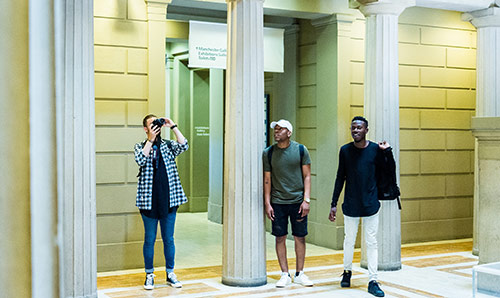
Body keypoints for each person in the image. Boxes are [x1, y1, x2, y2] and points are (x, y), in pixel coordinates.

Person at [328, 116, 394, 297]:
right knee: (349, 239)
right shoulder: (345, 151)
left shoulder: (375, 150)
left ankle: (373, 280)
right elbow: (340, 177)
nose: (355, 130)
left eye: (359, 128)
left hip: (371, 203)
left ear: (366, 130)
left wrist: (387, 152)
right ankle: (347, 271)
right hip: (351, 203)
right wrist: (333, 203)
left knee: (371, 242)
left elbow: (389, 171)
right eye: (353, 128)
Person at [134, 114, 188, 290]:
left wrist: (172, 126)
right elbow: (140, 160)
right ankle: (149, 275)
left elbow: (184, 144)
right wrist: (150, 140)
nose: (155, 126)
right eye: (151, 124)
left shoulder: (167, 145)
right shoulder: (140, 146)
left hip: (169, 199)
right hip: (148, 201)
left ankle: (170, 273)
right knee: (149, 239)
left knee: (169, 239)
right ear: (145, 129)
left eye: (157, 123)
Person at [263, 119, 314, 288]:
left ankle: (300, 273)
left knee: (300, 237)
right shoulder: (268, 153)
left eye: (280, 129)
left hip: (298, 202)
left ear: (289, 133)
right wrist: (267, 203)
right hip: (278, 202)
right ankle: (284, 273)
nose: (276, 132)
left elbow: (307, 176)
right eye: (275, 129)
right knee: (280, 237)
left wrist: (306, 200)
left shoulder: (301, 150)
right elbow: (267, 179)